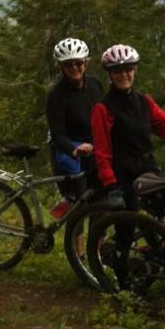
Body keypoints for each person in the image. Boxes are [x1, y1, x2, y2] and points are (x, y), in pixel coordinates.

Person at [90, 44, 165, 212]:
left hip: (147, 171)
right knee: (127, 228)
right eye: (117, 71)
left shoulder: (144, 102)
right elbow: (102, 152)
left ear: (134, 69)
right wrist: (110, 183)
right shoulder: (102, 109)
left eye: (127, 69)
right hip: (122, 177)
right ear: (110, 74)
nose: (123, 75)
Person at [45, 37, 103, 219]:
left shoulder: (95, 85)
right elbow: (58, 134)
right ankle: (74, 247)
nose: (74, 68)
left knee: (99, 204)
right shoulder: (56, 96)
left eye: (78, 63)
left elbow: (105, 116)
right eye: (68, 64)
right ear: (61, 66)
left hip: (95, 149)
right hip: (69, 152)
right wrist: (74, 149)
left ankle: (96, 248)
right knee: (79, 206)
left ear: (86, 62)